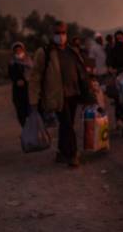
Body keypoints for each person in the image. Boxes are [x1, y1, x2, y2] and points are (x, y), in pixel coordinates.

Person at [28, 21, 87, 167]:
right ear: (52, 34)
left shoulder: (71, 51)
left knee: (67, 124)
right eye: (57, 33)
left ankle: (61, 151)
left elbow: (81, 71)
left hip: (74, 94)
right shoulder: (44, 53)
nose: (60, 36)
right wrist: (33, 100)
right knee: (67, 124)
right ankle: (72, 155)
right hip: (57, 97)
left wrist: (88, 91)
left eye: (63, 33)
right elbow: (35, 77)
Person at [8, 42, 33, 127]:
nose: (18, 52)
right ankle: (25, 129)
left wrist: (26, 80)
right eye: (16, 50)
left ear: (23, 50)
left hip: (28, 89)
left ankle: (31, 129)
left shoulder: (29, 61)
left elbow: (32, 74)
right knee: (20, 111)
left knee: (30, 111)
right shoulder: (12, 63)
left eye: (20, 49)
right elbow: (11, 75)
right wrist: (16, 80)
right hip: (17, 91)